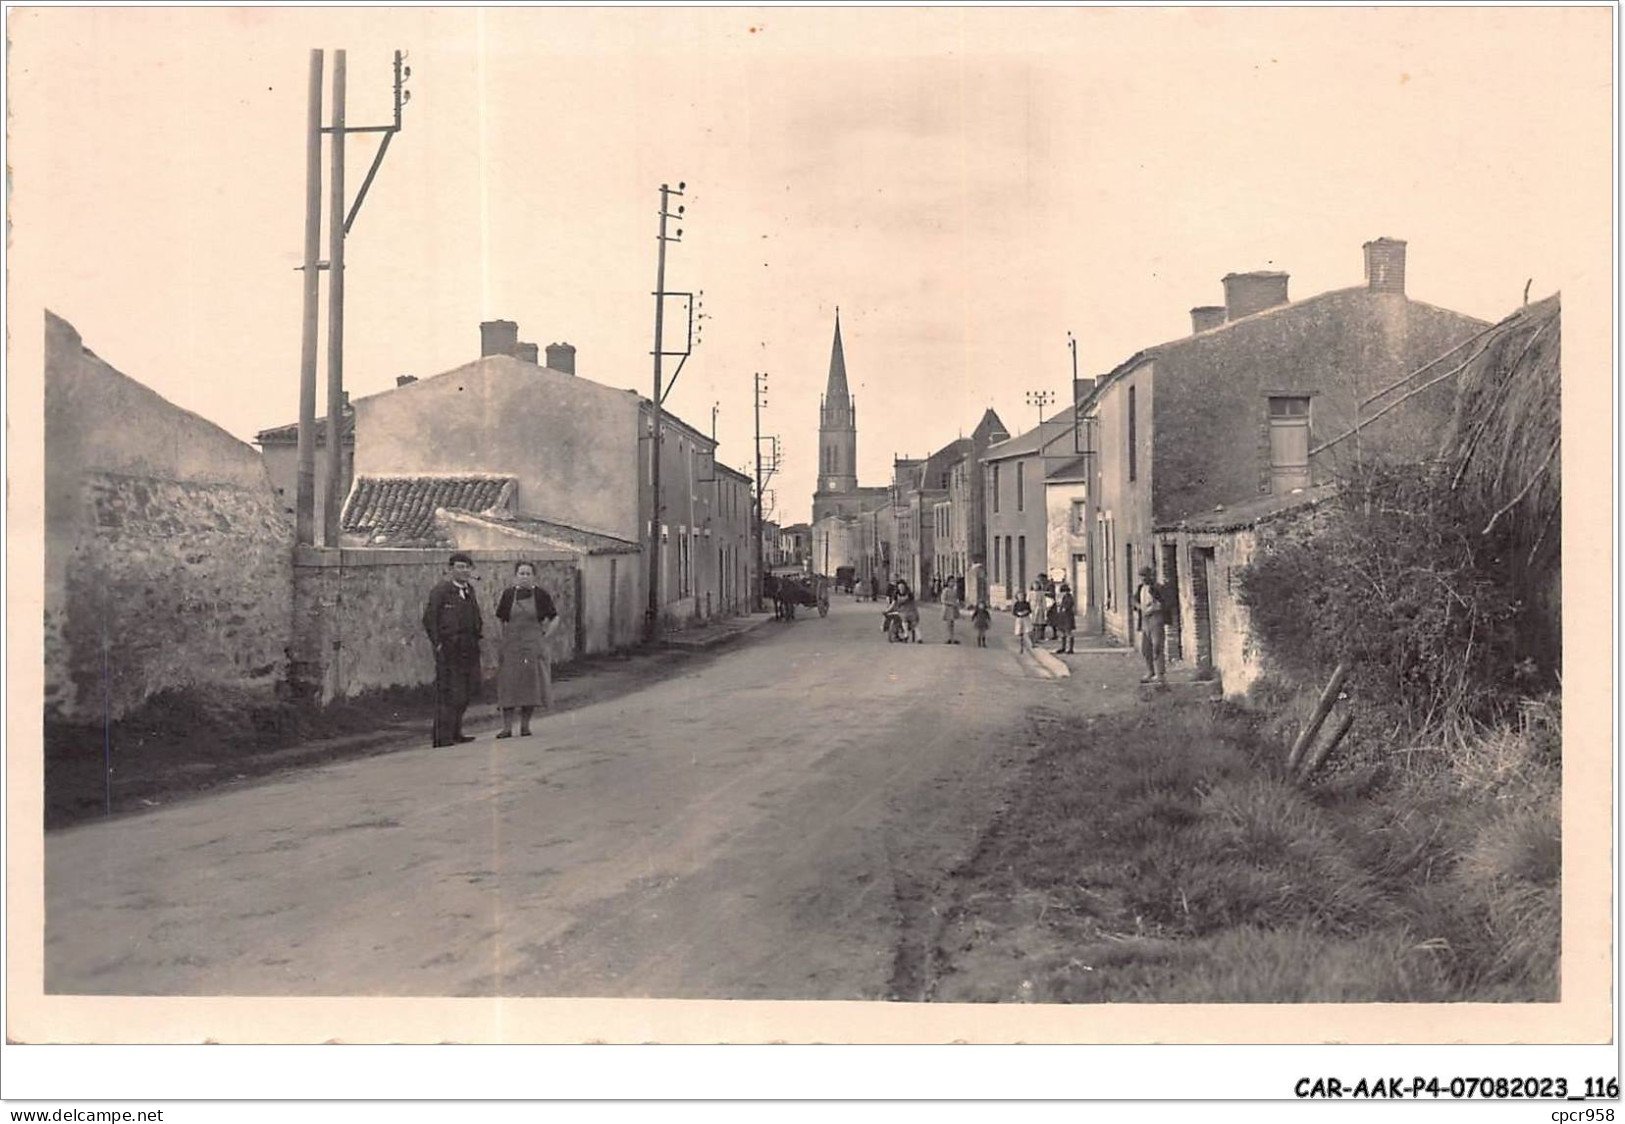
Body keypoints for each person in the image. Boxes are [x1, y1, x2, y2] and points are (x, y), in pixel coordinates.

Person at [422, 552, 483, 747]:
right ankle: (442, 736)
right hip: (449, 648)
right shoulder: (441, 591)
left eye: (467, 567)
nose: (464, 571)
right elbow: (429, 619)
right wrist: (438, 643)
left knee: (465, 691)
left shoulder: (469, 590)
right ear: (450, 570)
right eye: (459, 567)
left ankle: (457, 732)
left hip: (469, 647)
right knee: (449, 692)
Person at [494, 561, 559, 739]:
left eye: (527, 573)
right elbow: (500, 618)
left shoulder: (541, 595)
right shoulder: (508, 595)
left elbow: (554, 618)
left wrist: (545, 637)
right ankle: (506, 728)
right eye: (521, 573)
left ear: (533, 576)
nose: (524, 576)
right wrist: (502, 638)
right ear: (516, 576)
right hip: (512, 646)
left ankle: (525, 726)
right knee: (509, 686)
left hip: (532, 646)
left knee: (530, 685)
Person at [1134, 564, 1169, 683]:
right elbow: (1134, 601)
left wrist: (1153, 608)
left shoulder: (1157, 588)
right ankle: (1150, 671)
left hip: (1156, 619)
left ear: (1150, 575)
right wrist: (1138, 606)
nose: (1143, 578)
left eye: (1145, 576)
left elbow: (1164, 604)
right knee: (1145, 648)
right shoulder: (1140, 588)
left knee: (1157, 646)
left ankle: (1160, 674)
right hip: (1144, 620)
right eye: (1141, 576)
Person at [1052, 581, 1077, 654]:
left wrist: (1065, 608)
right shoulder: (1061, 597)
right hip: (1062, 616)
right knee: (1062, 632)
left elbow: (1069, 604)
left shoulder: (1069, 597)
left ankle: (1070, 648)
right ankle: (1063, 647)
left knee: (1068, 631)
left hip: (1067, 616)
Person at [897, 578, 921, 643]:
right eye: (899, 587)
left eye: (902, 587)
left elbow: (903, 600)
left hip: (911, 611)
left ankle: (919, 638)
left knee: (914, 624)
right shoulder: (897, 594)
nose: (901, 589)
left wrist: (900, 601)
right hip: (904, 612)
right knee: (904, 622)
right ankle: (906, 635)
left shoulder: (909, 594)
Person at [940, 575, 962, 644]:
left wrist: (957, 603)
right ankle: (948, 638)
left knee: (952, 624)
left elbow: (956, 598)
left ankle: (952, 638)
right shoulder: (946, 590)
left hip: (953, 609)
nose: (952, 583)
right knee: (948, 624)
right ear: (948, 582)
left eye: (953, 582)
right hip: (948, 609)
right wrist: (951, 603)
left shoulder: (954, 590)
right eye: (951, 582)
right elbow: (943, 600)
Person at [1012, 587, 1034, 654]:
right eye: (1019, 596)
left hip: (1026, 618)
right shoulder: (1016, 604)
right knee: (1020, 633)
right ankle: (1021, 646)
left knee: (1028, 631)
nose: (1021, 597)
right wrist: (1018, 614)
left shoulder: (1026, 603)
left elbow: (1030, 610)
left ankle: (1032, 643)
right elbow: (1014, 612)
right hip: (1019, 619)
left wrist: (1025, 612)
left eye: (1022, 596)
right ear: (1017, 597)